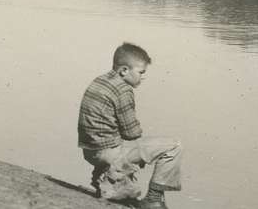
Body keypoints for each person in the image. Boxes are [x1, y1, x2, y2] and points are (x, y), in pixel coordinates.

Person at [77, 42, 182, 209]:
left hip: (90, 151)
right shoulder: (123, 89)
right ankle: (154, 199)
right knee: (173, 146)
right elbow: (132, 133)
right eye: (141, 72)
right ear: (124, 70)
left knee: (130, 186)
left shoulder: (101, 80)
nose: (143, 77)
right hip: (108, 152)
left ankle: (105, 177)